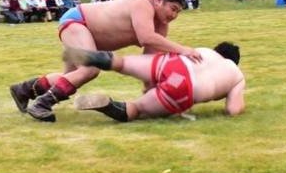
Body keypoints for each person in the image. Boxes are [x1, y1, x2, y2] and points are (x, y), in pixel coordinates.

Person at [8, 0, 199, 122]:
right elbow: (146, 38)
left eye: (178, 12)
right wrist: (183, 50)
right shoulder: (144, 4)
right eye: (173, 9)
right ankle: (42, 104)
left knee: (69, 77)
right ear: (159, 1)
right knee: (90, 70)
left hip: (87, 32)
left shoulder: (162, 28)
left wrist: (152, 95)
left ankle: (23, 90)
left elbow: (147, 63)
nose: (174, 15)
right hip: (78, 21)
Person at [69, 41, 246, 121]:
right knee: (137, 109)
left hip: (174, 65)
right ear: (234, 61)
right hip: (184, 89)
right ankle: (108, 105)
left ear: (218, 50)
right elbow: (233, 110)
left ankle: (87, 55)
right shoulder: (236, 74)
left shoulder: (207, 51)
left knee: (121, 63)